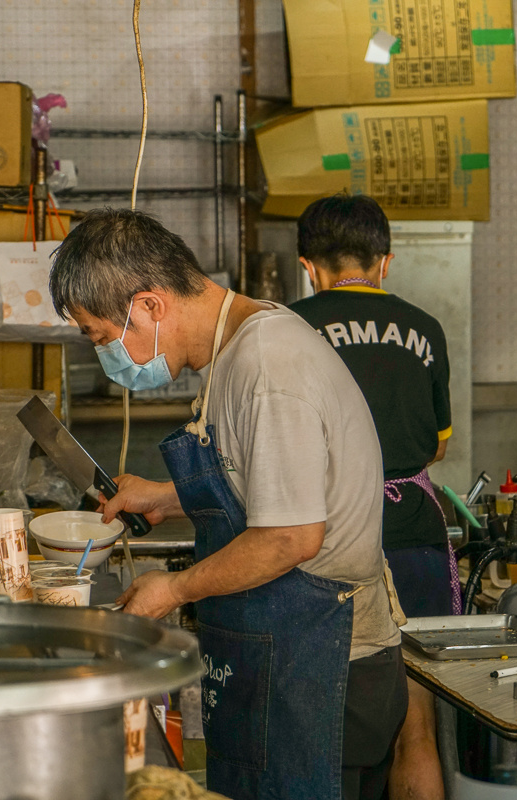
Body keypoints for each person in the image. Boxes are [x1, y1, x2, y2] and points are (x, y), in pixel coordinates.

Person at [49, 208, 408, 800]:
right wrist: (169, 496)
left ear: (149, 306)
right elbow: (264, 481)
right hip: (284, 653)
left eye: (103, 338)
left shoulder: (268, 366)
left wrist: (175, 589)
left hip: (323, 665)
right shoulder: (239, 346)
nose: (107, 357)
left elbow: (290, 537)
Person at [290, 194, 457, 800]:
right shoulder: (427, 329)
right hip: (412, 534)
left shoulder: (287, 326)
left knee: (324, 731)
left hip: (327, 543)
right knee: (416, 731)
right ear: (384, 262)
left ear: (308, 265)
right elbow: (437, 446)